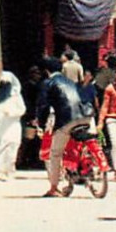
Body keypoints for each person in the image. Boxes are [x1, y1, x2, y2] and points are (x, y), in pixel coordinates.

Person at [32, 56, 91, 198]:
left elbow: (43, 106)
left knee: (55, 153)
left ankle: (54, 187)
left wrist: (40, 123)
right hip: (84, 117)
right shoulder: (70, 82)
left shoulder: (48, 83)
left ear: (46, 71)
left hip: (66, 120)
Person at [0, 68, 25, 181]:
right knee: (0, 148)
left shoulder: (16, 96)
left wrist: (12, 113)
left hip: (12, 127)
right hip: (0, 129)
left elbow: (22, 109)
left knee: (12, 147)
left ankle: (10, 170)